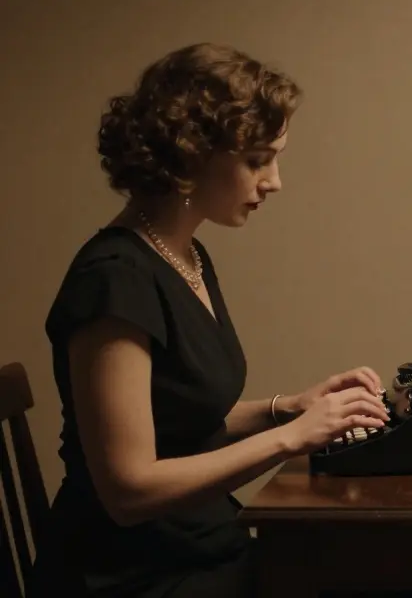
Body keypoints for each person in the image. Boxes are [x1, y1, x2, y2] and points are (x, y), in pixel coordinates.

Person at [29, 43, 393, 597]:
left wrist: (286, 409)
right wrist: (291, 439)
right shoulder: (114, 279)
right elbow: (128, 491)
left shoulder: (186, 257)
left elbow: (179, 425)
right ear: (191, 153)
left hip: (196, 543)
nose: (274, 181)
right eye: (256, 160)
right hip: (131, 574)